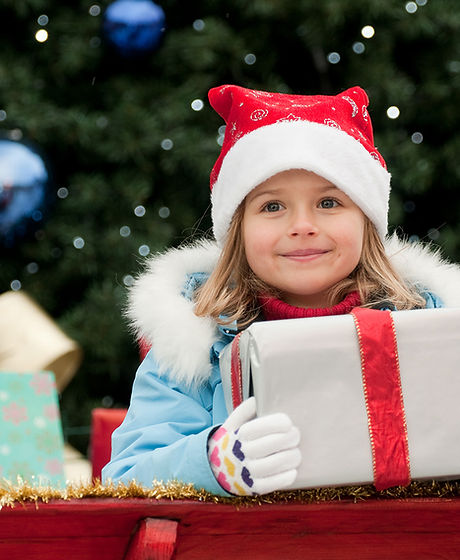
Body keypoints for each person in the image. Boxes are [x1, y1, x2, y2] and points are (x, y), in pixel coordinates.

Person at [102, 84, 460, 496]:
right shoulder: (195, 345)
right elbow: (126, 475)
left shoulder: (430, 326)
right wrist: (212, 463)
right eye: (272, 206)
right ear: (238, 231)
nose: (302, 225)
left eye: (328, 203)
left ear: (367, 221)